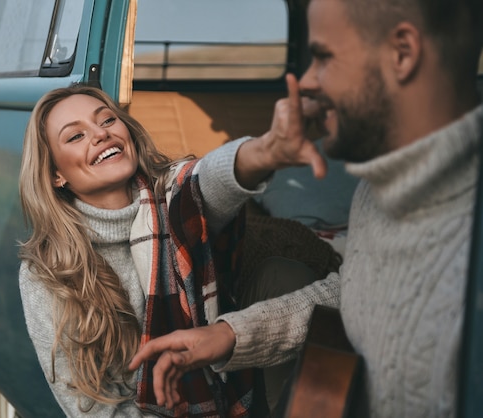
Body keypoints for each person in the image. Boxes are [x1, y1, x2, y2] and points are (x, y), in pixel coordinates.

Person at [129, 0, 483, 416]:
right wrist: (230, 335)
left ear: (403, 52)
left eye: (323, 57)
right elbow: (357, 292)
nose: (306, 81)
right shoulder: (374, 192)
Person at [17, 84, 340, 417]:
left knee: (283, 275)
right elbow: (89, 405)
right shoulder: (48, 271)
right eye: (75, 137)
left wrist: (267, 151)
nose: (100, 134)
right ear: (56, 175)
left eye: (107, 120)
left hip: (232, 378)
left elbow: (209, 180)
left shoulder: (175, 195)